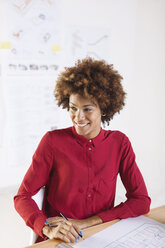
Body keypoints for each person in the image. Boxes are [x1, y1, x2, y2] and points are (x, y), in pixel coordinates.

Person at [14, 57, 151, 244]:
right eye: (73, 108)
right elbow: (22, 196)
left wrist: (87, 223)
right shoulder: (52, 141)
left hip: (101, 234)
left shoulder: (120, 143)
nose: (78, 117)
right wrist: (45, 227)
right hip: (59, 238)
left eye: (87, 109)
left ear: (104, 108)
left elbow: (141, 200)